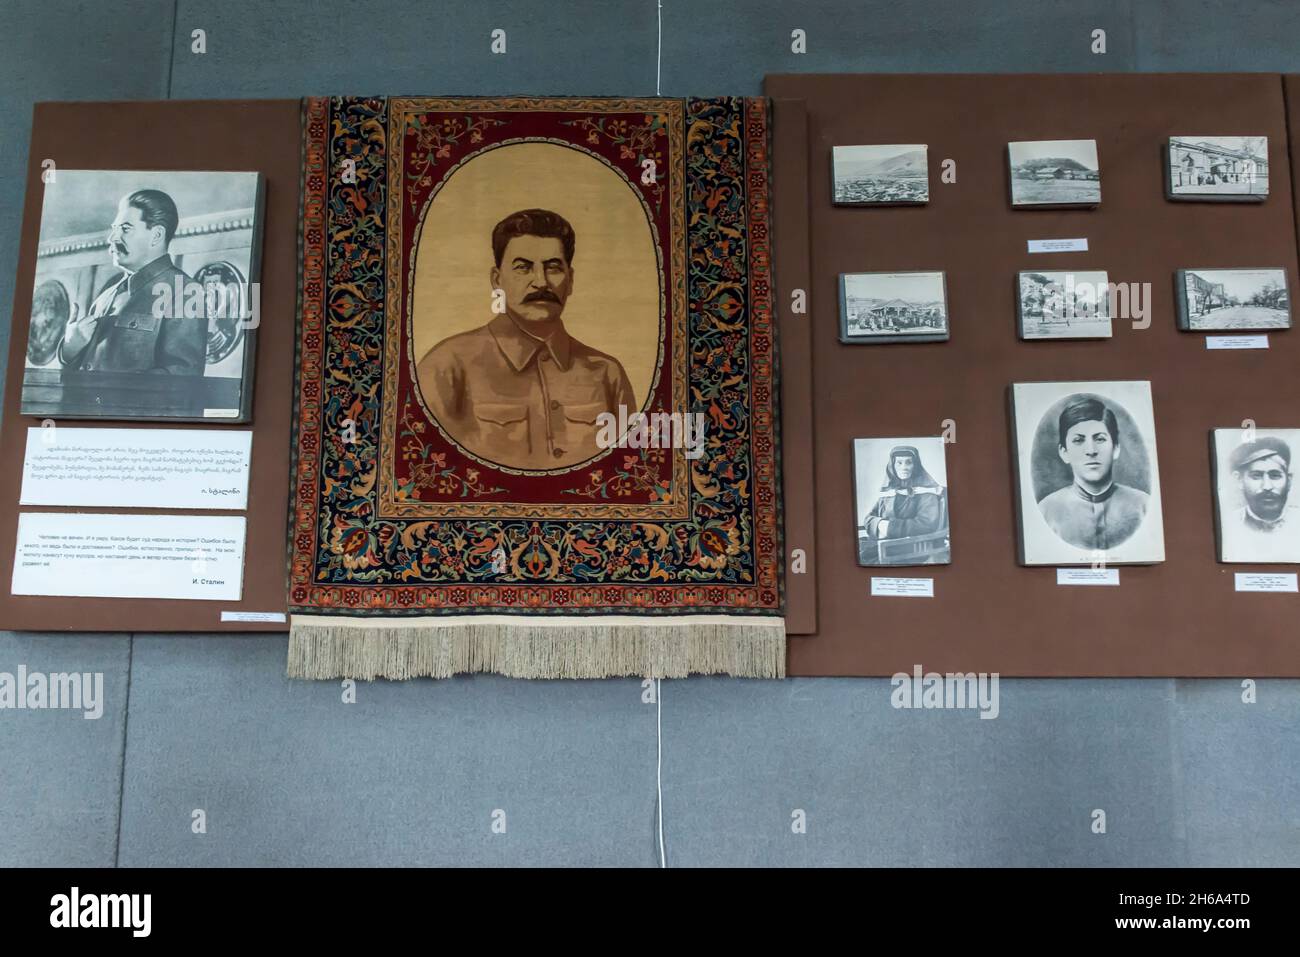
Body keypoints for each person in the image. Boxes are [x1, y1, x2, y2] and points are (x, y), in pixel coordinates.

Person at [416, 208, 635, 470]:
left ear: (571, 280)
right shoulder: (446, 367)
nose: (540, 282)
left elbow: (628, 473)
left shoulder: (606, 373)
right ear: (497, 280)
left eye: (553, 268)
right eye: (523, 268)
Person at [59, 189, 205, 375]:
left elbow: (181, 379)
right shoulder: (105, 297)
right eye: (114, 229)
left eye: (125, 229)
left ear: (157, 235)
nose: (112, 238)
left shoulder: (185, 291)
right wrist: (70, 348)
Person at [1037, 397, 1149, 551]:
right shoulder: (1046, 511)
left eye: (1100, 439)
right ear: (1064, 453)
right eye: (1078, 440)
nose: (1091, 451)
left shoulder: (1143, 505)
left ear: (1115, 448)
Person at [859, 445, 945, 563]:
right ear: (892, 466)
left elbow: (926, 525)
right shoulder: (890, 492)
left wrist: (889, 528)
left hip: (911, 550)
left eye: (909, 462)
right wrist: (879, 524)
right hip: (887, 545)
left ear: (915, 466)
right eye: (899, 463)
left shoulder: (925, 492)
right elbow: (869, 518)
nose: (904, 467)